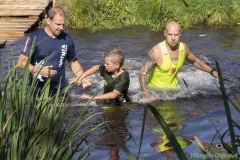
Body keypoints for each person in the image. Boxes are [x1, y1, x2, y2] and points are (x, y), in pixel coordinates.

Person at [17, 6, 90, 97]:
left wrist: (82, 78)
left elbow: (74, 62)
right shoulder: (34, 38)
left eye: (63, 24)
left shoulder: (67, 39)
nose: (61, 27)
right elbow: (21, 62)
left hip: (60, 90)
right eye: (58, 24)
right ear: (48, 21)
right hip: (38, 90)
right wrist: (37, 70)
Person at [138, 21, 218, 103]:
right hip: (155, 93)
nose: (173, 38)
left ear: (180, 34)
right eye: (170, 34)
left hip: (173, 93)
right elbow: (142, 73)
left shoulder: (183, 48)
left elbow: (195, 61)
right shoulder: (156, 51)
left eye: (176, 35)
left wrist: (212, 71)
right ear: (165, 33)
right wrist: (146, 92)